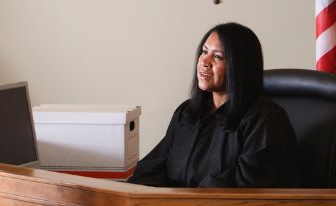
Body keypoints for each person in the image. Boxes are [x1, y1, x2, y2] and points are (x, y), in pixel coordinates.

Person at [128, 23, 298, 188]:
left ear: (239, 66)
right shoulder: (187, 112)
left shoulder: (265, 118)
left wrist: (185, 204)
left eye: (217, 56)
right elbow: (154, 166)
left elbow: (247, 181)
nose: (204, 62)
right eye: (204, 52)